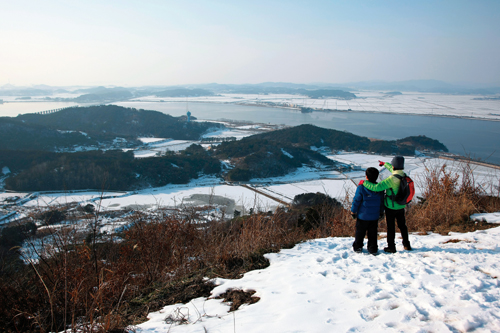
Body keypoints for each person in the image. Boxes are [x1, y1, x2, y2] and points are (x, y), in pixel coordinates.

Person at [362, 156, 412, 253]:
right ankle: (407, 244)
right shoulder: (403, 175)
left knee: (391, 227)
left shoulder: (391, 179)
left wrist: (364, 183)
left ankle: (391, 247)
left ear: (393, 166)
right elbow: (393, 169)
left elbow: (377, 187)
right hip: (401, 205)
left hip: (391, 207)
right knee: (402, 226)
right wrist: (385, 164)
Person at [351, 167, 384, 255]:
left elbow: (356, 200)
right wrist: (381, 212)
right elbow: (381, 202)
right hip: (374, 216)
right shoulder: (380, 188)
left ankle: (358, 247)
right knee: (373, 233)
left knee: (360, 232)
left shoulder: (361, 188)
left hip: (362, 215)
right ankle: (372, 248)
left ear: (366, 177)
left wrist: (353, 211)